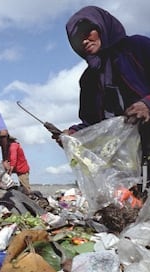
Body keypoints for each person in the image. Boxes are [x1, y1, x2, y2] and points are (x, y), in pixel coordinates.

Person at [61, 6, 150, 181]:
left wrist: (147, 104)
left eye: (88, 32)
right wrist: (72, 134)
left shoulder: (137, 48)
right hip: (128, 155)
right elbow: (92, 122)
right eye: (78, 38)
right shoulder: (88, 79)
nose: (84, 41)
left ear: (101, 27)